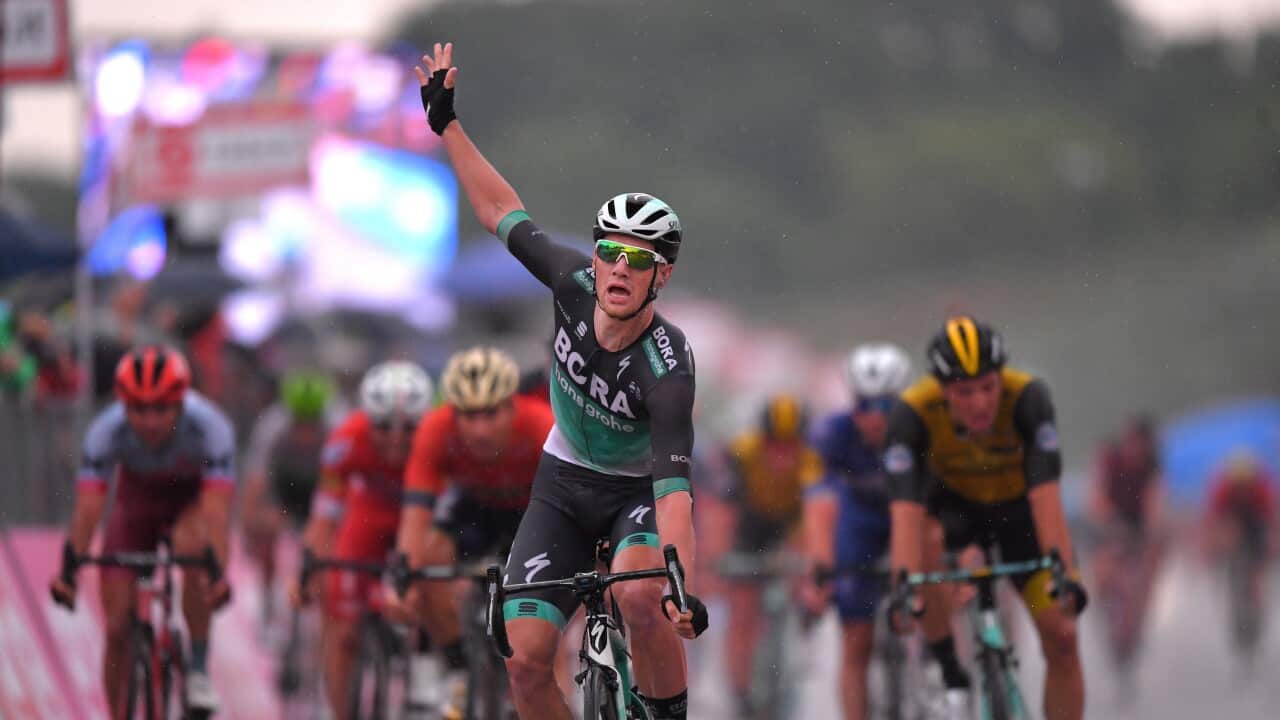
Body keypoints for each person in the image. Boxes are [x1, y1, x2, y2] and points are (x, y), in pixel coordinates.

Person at [414, 42, 708, 720]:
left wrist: (679, 587)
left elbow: (674, 496)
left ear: (661, 276)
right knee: (523, 663)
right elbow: (499, 210)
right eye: (611, 251)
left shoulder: (668, 366)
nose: (619, 268)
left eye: (639, 259)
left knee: (638, 598)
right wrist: (447, 126)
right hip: (563, 482)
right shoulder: (572, 281)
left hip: (637, 493)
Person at [885, 316, 1087, 720]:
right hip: (954, 515)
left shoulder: (1029, 398)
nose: (980, 403)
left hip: (1020, 515)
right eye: (964, 392)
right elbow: (906, 510)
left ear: (1002, 377)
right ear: (942, 390)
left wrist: (1066, 575)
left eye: (988, 387)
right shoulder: (912, 413)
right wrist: (903, 588)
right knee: (924, 549)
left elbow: (1046, 495)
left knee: (1063, 638)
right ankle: (947, 666)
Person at [49, 346, 234, 718]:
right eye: (138, 409)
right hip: (136, 507)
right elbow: (88, 509)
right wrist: (68, 570)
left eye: (161, 408)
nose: (149, 420)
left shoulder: (210, 427)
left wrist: (218, 574)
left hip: (190, 504)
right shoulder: (105, 430)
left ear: (181, 403)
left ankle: (197, 667)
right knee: (116, 626)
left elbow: (216, 511)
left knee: (192, 547)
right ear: (123, 405)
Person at [388, 347, 554, 714]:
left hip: (531, 511)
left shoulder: (541, 425)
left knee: (543, 613)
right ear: (452, 411)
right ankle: (458, 664)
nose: (479, 429)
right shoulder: (436, 427)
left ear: (513, 405)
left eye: (490, 413)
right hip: (473, 508)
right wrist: (407, 573)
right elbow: (416, 513)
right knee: (425, 564)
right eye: (468, 415)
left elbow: (569, 509)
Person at [289, 361, 433, 720]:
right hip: (366, 517)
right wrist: (307, 570)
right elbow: (324, 517)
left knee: (434, 580)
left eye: (408, 428)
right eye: (384, 427)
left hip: (418, 518)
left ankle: (429, 659)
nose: (396, 439)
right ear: (368, 419)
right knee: (343, 631)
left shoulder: (434, 441)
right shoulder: (347, 438)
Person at [801, 343, 914, 720]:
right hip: (860, 525)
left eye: (885, 406)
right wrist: (820, 567)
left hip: (910, 517)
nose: (875, 418)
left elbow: (930, 510)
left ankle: (944, 671)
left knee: (930, 590)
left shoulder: (919, 430)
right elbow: (819, 503)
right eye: (864, 406)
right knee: (856, 643)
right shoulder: (832, 432)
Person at [716, 392, 822, 715]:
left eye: (790, 447)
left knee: (800, 581)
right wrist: (720, 558)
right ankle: (740, 689)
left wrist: (810, 568)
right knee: (743, 610)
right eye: (775, 446)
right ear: (763, 441)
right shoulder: (745, 452)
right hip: (751, 526)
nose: (783, 456)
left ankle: (795, 660)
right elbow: (725, 511)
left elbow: (814, 515)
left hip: (789, 525)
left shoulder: (812, 460)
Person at [241, 370, 345, 629]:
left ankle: (322, 612)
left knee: (329, 546)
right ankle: (268, 596)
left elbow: (351, 486)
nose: (307, 430)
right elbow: (255, 482)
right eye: (300, 422)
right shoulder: (273, 426)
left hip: (324, 487)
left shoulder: (339, 423)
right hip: (286, 488)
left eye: (312, 422)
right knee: (263, 530)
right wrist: (251, 527)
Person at [1087, 415, 1166, 695]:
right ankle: (1105, 606)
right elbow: (1096, 497)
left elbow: (1154, 503)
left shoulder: (1152, 467)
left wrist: (1150, 533)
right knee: (1104, 572)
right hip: (1108, 522)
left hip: (1138, 525)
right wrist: (1109, 522)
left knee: (1147, 574)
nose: (1135, 450)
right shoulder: (1109, 457)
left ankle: (1139, 620)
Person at [1201, 448, 1278, 660]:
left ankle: (1257, 600)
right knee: (1230, 539)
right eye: (1239, 485)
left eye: (1247, 485)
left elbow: (1272, 522)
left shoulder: (1262, 488)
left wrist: (1270, 549)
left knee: (1257, 571)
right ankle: (1238, 605)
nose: (1243, 489)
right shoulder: (1223, 488)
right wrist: (1212, 550)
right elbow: (1213, 521)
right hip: (1232, 524)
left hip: (1256, 526)